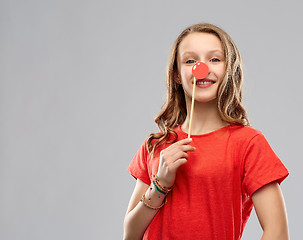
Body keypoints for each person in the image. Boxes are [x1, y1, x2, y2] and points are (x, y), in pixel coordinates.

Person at [123, 23, 289, 240]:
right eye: (190, 60)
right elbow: (130, 235)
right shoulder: (156, 145)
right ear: (176, 74)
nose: (202, 67)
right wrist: (160, 185)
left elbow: (278, 232)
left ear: (227, 69)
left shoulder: (248, 143)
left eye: (214, 59)